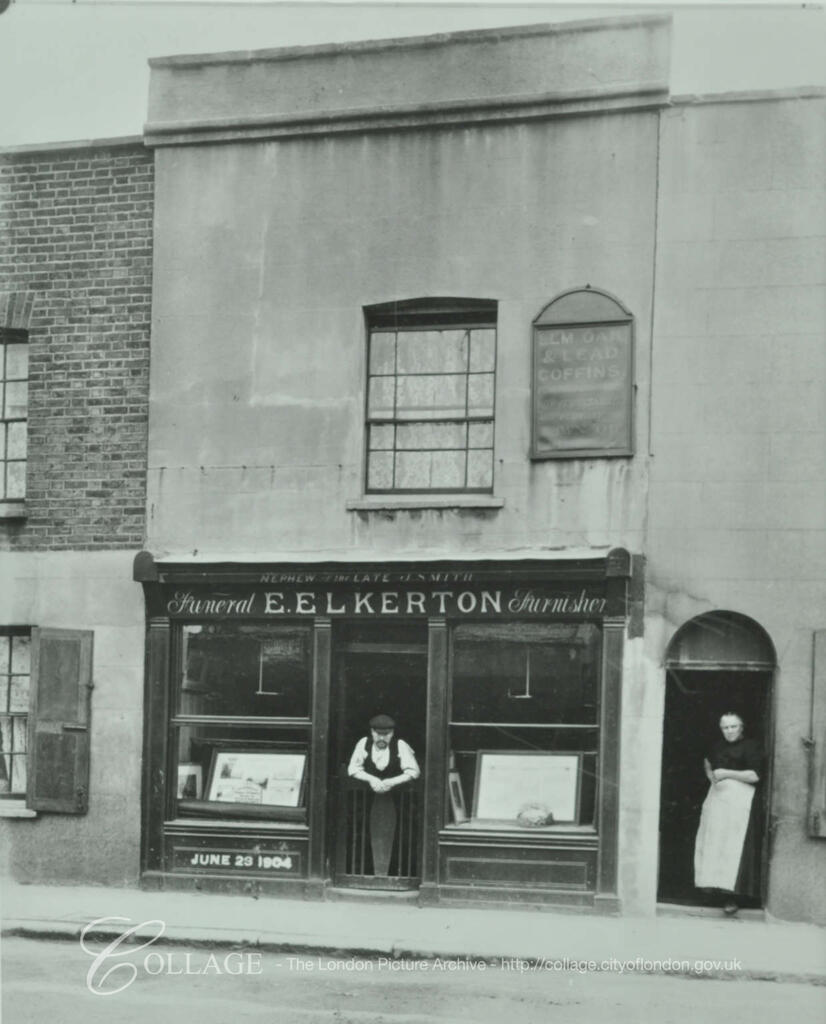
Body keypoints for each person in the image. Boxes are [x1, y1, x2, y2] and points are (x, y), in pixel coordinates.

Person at [694, 712, 762, 916]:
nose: (729, 731)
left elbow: (755, 775)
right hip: (718, 799)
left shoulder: (751, 746)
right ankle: (714, 890)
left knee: (733, 845)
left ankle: (732, 897)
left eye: (734, 727)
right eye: (725, 727)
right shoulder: (718, 746)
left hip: (740, 801)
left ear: (742, 727)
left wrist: (726, 774)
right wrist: (712, 778)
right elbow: (707, 761)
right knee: (714, 842)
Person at [348, 713, 420, 794]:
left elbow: (414, 772)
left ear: (392, 733)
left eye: (386, 734)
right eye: (378, 734)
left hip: (397, 796)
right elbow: (353, 769)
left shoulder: (400, 745)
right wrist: (371, 779)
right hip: (367, 797)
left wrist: (392, 782)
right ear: (372, 732)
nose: (382, 738)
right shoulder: (364, 743)